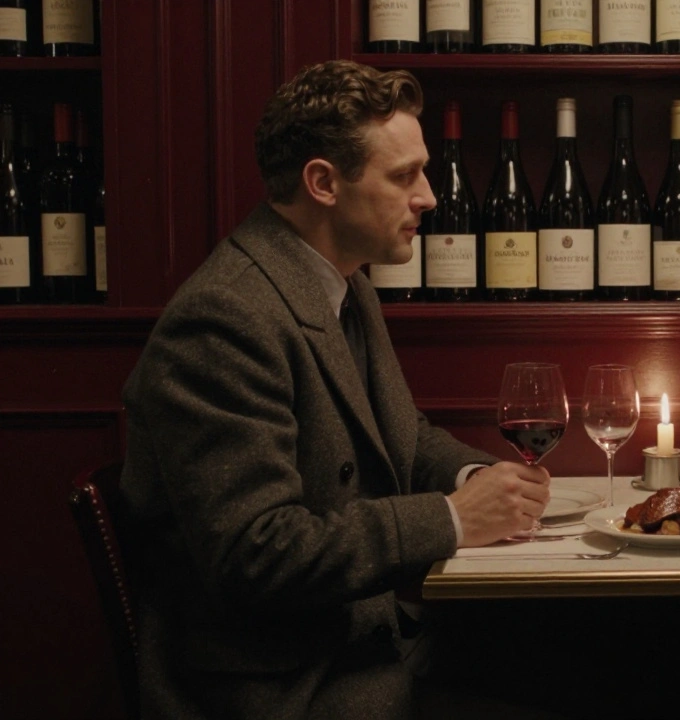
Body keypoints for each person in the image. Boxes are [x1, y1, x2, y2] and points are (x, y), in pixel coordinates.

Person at [119, 60, 552, 719]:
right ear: (323, 182)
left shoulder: (344, 281)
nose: (430, 196)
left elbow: (403, 439)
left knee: (588, 659)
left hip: (361, 645)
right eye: (404, 175)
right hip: (283, 688)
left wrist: (481, 475)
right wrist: (457, 517)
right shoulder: (223, 318)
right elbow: (256, 553)